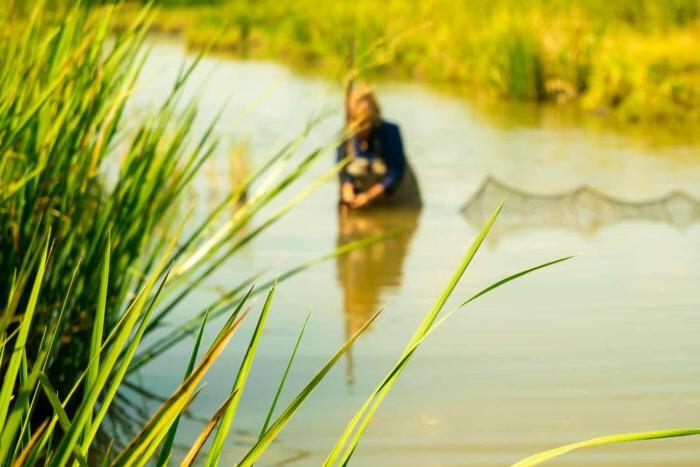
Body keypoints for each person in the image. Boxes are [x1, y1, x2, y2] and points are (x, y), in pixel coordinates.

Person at [337, 83, 421, 209]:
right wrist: (347, 187)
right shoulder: (346, 136)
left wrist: (368, 196)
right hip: (362, 204)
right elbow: (342, 169)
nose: (363, 127)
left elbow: (395, 171)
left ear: (375, 114)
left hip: (399, 201)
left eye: (366, 122)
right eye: (359, 122)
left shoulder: (390, 132)